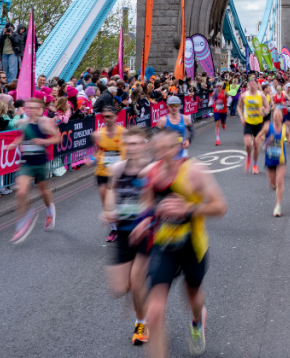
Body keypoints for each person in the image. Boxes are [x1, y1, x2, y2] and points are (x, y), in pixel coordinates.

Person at [131, 127, 228, 358]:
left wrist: (189, 208)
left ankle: (197, 320)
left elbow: (220, 206)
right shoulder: (151, 173)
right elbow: (147, 206)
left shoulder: (195, 171)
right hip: (163, 245)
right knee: (154, 312)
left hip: (192, 246)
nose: (162, 153)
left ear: (177, 147)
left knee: (192, 296)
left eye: (167, 147)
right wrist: (143, 222)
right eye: (158, 148)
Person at [102, 127, 152, 346]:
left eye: (136, 143)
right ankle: (137, 296)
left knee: (137, 281)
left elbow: (158, 200)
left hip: (147, 233)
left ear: (144, 145)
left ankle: (141, 324)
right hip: (123, 232)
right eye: (128, 144)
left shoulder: (152, 170)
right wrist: (108, 210)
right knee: (120, 288)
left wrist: (147, 218)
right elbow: (112, 192)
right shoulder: (117, 169)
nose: (131, 148)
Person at [9, 98, 62, 244]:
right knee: (21, 192)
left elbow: (57, 138)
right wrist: (13, 144)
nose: (30, 110)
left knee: (44, 192)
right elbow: (22, 135)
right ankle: (23, 222)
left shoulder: (45, 122)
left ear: (40, 109)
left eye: (34, 107)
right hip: (27, 162)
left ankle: (50, 210)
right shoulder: (24, 122)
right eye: (28, 107)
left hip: (40, 162)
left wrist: (44, 141)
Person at [94, 105, 125, 242]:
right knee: (105, 200)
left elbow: (126, 153)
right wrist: (91, 159)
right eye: (104, 117)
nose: (106, 119)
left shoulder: (123, 132)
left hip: (118, 172)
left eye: (109, 116)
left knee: (117, 201)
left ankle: (123, 225)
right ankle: (114, 229)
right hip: (102, 171)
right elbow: (99, 152)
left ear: (115, 117)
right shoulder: (100, 133)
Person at [259, 107, 289, 216]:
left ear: (282, 117)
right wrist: (264, 145)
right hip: (270, 158)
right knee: (273, 184)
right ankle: (274, 185)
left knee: (280, 180)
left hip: (281, 158)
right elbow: (258, 138)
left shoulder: (285, 127)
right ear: (273, 117)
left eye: (279, 115)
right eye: (275, 115)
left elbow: (288, 136)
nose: (277, 117)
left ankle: (278, 206)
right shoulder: (267, 127)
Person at [211, 81, 228, 146]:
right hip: (216, 110)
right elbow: (212, 100)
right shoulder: (214, 93)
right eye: (217, 86)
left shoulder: (224, 92)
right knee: (217, 123)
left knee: (223, 122)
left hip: (224, 110)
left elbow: (228, 97)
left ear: (221, 87)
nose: (218, 88)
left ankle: (223, 123)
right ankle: (218, 139)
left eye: (220, 86)